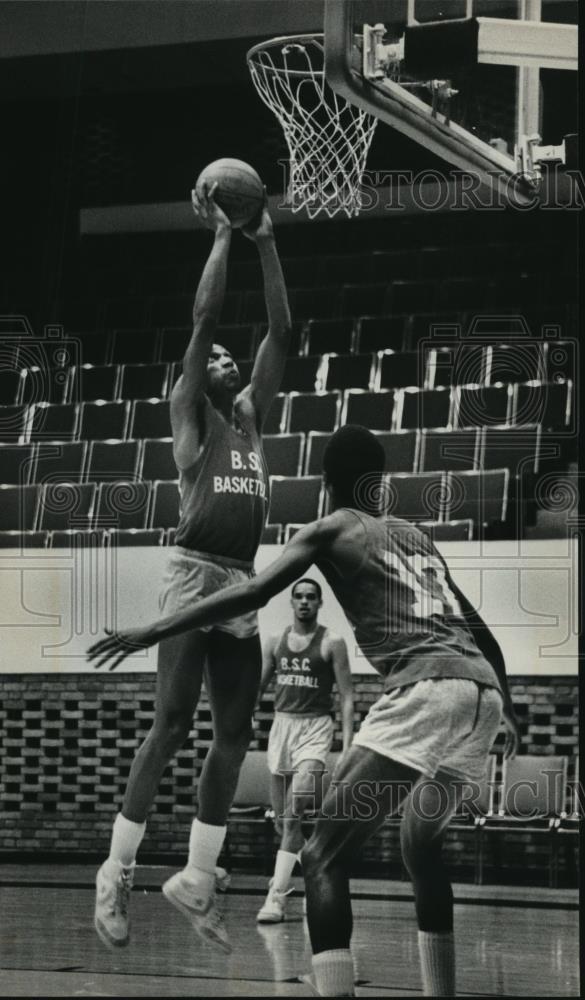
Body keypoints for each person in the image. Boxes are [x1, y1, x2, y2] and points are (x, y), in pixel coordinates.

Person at [89, 424, 521, 997]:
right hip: (482, 697)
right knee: (421, 848)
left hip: (426, 690)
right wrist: (507, 705)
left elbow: (250, 592)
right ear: (381, 483)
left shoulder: (330, 528)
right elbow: (477, 628)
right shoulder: (416, 535)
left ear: (325, 482)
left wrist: (155, 628)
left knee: (321, 856)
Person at [93, 180, 291, 954]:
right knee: (171, 725)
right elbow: (203, 317)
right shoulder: (192, 413)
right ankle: (116, 871)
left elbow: (284, 329)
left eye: (227, 357)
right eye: (211, 355)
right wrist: (219, 233)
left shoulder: (250, 419)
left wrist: (266, 237)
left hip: (239, 578)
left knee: (235, 732)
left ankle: (196, 876)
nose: (223, 353)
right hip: (191, 571)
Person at [256, 578, 353, 924]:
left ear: (320, 603)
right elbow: (259, 686)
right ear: (292, 603)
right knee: (283, 823)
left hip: (315, 729)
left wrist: (347, 744)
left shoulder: (332, 642)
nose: (304, 602)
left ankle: (276, 897)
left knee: (295, 811)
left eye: (311, 597)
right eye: (299, 597)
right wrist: (242, 721)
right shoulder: (274, 642)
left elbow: (347, 696)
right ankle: (313, 878)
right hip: (282, 728)